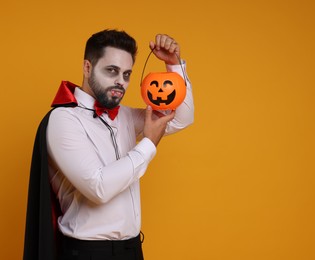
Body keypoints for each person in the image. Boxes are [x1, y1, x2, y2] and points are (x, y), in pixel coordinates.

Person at [23, 29, 194, 260]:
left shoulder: (124, 115)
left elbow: (182, 118)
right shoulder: (63, 120)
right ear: (87, 67)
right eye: (111, 71)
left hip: (132, 249)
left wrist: (174, 66)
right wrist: (148, 144)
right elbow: (98, 188)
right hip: (87, 253)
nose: (120, 82)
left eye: (126, 74)